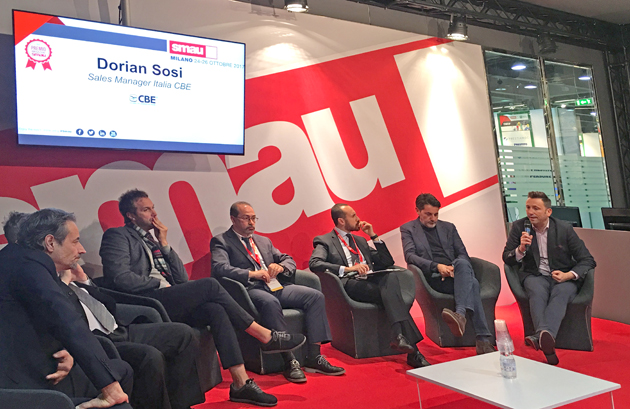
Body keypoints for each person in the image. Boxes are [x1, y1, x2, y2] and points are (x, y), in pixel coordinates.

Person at [100, 189, 306, 406]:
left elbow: (181, 278)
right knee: (210, 284)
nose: (154, 214)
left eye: (153, 208)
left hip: (167, 296)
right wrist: (158, 284)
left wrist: (165, 244)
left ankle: (241, 383)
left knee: (215, 310)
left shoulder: (154, 240)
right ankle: (264, 335)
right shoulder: (118, 236)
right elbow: (120, 278)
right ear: (131, 215)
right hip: (148, 300)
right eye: (146, 209)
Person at [0, 209, 133, 409]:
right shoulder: (29, 267)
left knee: (122, 371)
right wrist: (110, 389)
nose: (82, 249)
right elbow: (66, 320)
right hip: (22, 383)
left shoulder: (17, 258)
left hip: (34, 364)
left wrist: (69, 351)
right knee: (119, 401)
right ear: (50, 242)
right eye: (75, 241)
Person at [211, 201, 344, 383]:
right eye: (246, 218)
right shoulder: (222, 241)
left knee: (315, 296)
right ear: (233, 219)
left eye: (254, 218)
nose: (251, 223)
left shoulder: (263, 241)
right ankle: (289, 361)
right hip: (250, 289)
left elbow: (288, 259)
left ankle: (314, 356)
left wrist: (280, 267)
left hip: (276, 285)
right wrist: (252, 274)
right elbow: (219, 268)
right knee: (270, 302)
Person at [59, 263, 204, 409]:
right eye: (75, 246)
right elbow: (65, 318)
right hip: (101, 341)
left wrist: (85, 281)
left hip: (117, 328)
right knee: (149, 356)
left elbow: (107, 303)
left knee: (183, 334)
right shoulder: (51, 287)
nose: (81, 251)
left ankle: (182, 405)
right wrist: (63, 284)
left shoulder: (71, 276)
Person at [309, 203, 430, 368]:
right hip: (350, 283)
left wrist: (373, 236)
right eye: (353, 216)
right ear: (341, 221)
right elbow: (315, 263)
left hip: (370, 280)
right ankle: (412, 350)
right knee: (392, 297)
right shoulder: (324, 241)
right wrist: (347, 269)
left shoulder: (360, 240)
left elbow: (387, 261)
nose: (358, 218)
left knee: (391, 278)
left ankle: (400, 337)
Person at [502, 191, 596, 365]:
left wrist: (568, 275)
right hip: (535, 275)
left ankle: (541, 336)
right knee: (536, 291)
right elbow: (507, 258)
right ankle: (546, 339)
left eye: (536, 208)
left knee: (561, 292)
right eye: (528, 208)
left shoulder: (564, 229)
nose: (530, 212)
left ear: (548, 212)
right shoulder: (519, 227)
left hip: (563, 276)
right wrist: (520, 249)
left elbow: (588, 260)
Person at [400, 193, 495, 354]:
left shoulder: (449, 227)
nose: (433, 219)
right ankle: (482, 339)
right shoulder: (408, 229)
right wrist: (437, 267)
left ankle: (460, 315)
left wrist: (452, 269)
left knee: (462, 264)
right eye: (428, 214)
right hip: (434, 277)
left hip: (456, 272)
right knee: (473, 283)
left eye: (436, 214)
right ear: (417, 211)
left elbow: (462, 253)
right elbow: (410, 256)